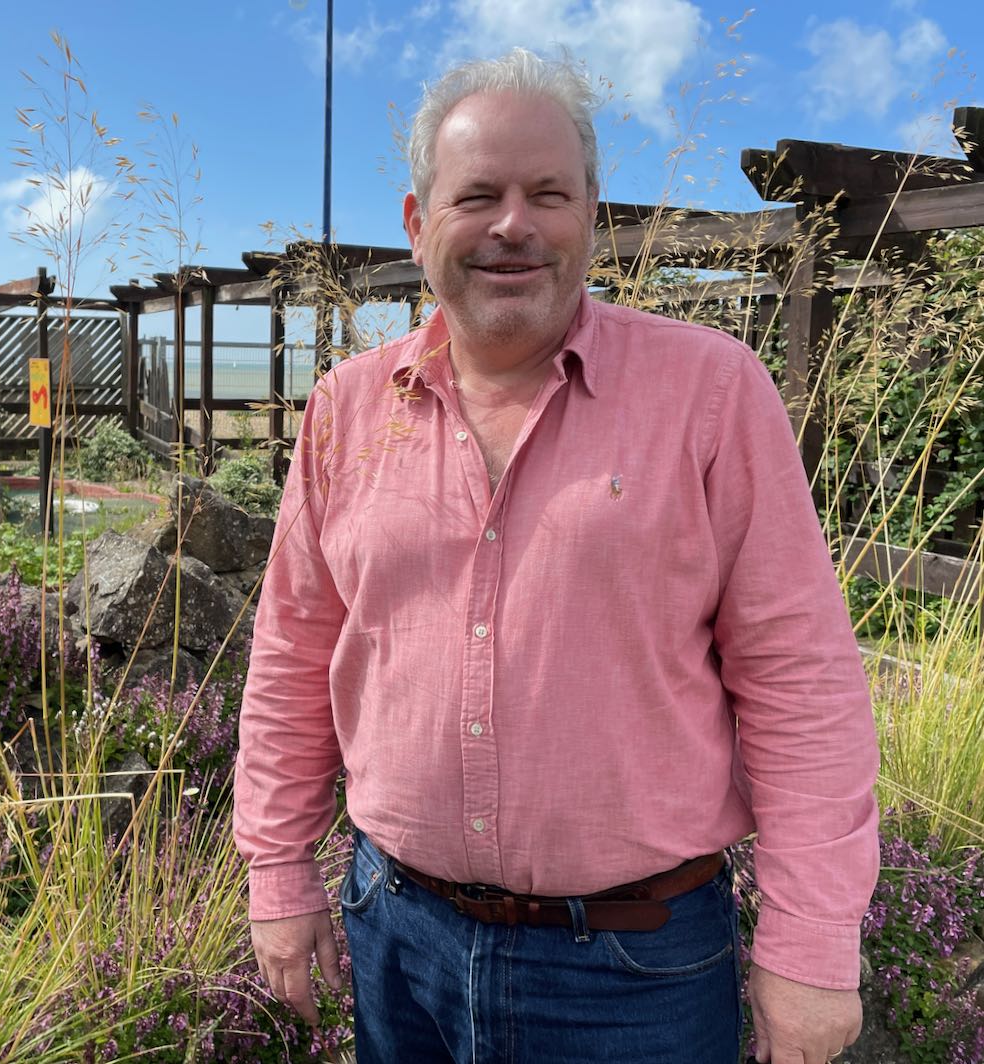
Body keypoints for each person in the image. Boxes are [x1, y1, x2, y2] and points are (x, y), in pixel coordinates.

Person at [233, 47, 879, 1064]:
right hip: (395, 936)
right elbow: (291, 655)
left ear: (590, 218)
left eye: (547, 193)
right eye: (476, 193)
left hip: (632, 971)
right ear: (416, 222)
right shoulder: (342, 410)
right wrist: (277, 869)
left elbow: (798, 678)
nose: (511, 224)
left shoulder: (709, 393)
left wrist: (809, 940)